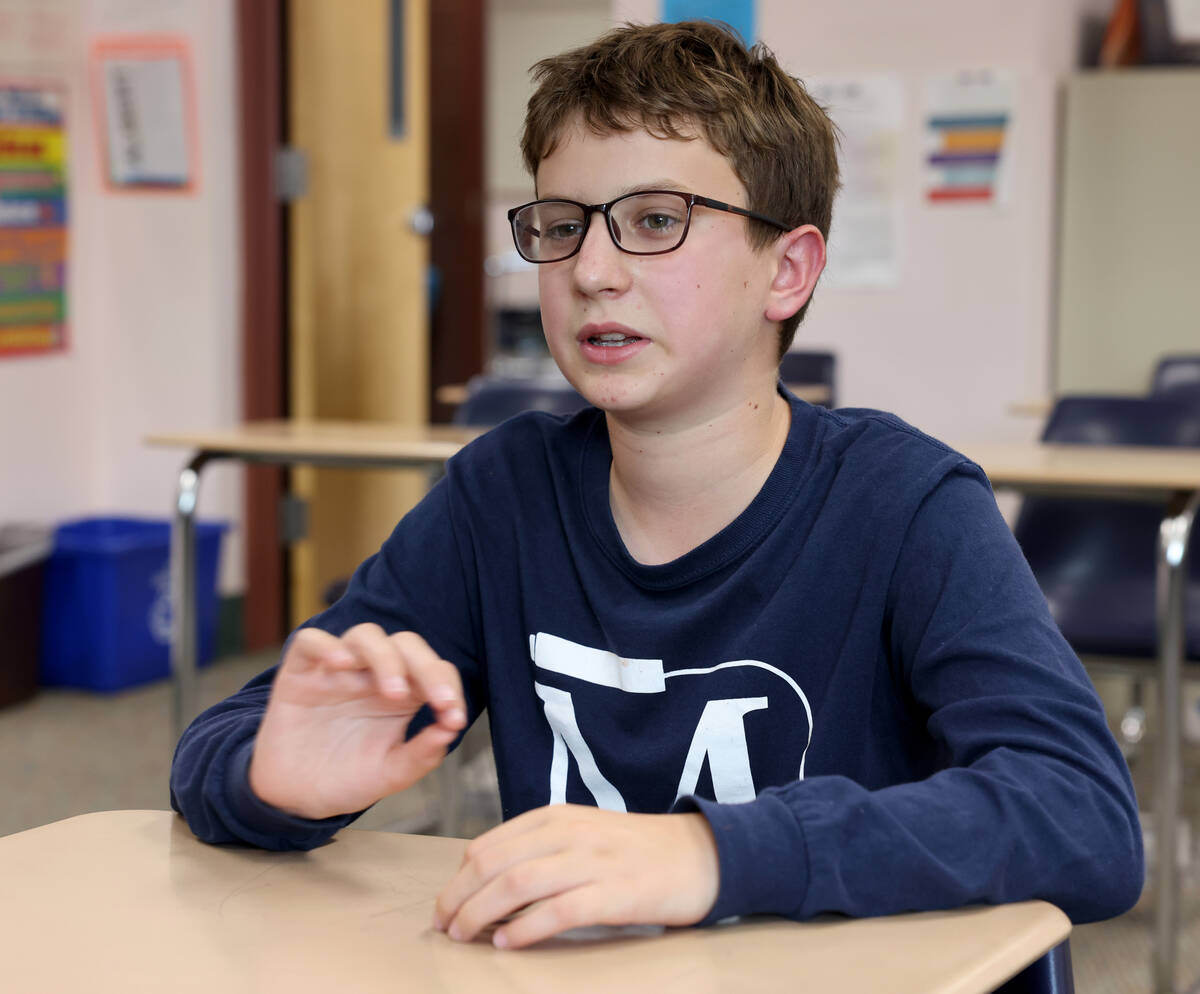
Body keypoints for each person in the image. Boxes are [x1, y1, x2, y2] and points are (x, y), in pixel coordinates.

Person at [170, 19, 1143, 950]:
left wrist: (710, 853)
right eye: (561, 224)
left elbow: (1084, 814)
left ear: (787, 271)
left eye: (654, 221)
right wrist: (267, 779)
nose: (592, 269)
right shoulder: (500, 494)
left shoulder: (905, 503)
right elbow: (229, 745)